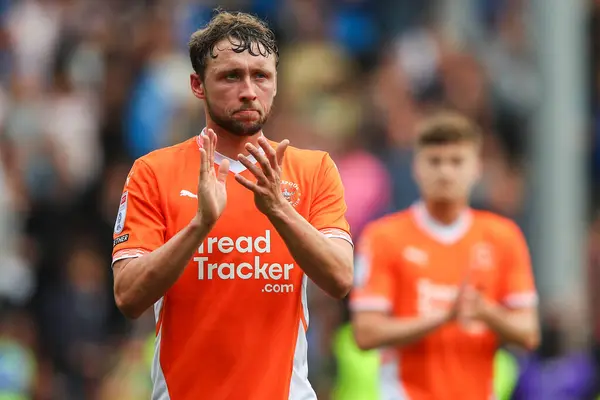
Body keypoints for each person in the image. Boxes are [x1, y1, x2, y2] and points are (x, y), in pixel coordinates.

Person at [111, 10, 354, 400]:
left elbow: (341, 278)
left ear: (276, 84)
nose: (248, 90)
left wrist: (279, 209)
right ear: (197, 85)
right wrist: (200, 225)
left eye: (261, 76)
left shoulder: (313, 169)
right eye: (230, 75)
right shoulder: (152, 172)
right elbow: (128, 296)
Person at [350, 112, 540, 400]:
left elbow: (528, 333)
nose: (445, 172)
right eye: (435, 161)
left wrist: (484, 311)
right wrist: (444, 317)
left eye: (456, 161)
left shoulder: (503, 236)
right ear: (417, 167)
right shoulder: (383, 236)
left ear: (477, 168)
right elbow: (365, 333)